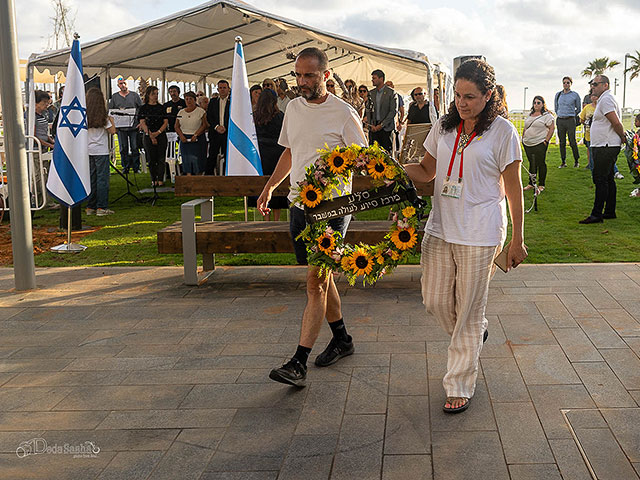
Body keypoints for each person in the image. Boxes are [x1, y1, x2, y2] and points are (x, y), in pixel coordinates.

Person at [404, 59, 527, 413]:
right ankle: (475, 332)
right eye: (457, 95)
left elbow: (514, 189)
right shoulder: (444, 126)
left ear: (488, 95)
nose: (462, 103)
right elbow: (427, 171)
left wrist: (517, 239)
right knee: (435, 300)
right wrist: (392, 169)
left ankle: (459, 382)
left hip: (482, 231)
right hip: (441, 227)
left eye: (470, 97)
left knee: (469, 311)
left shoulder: (503, 132)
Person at [257, 47, 367, 387]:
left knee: (315, 282)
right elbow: (290, 151)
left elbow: (363, 160)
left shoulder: (344, 114)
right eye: (298, 75)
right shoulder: (291, 107)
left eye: (309, 76)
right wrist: (270, 186)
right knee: (323, 279)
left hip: (332, 210)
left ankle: (298, 362)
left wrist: (338, 170)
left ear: (327, 76)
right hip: (297, 206)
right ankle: (343, 339)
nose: (302, 82)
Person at [579, 75, 626, 224]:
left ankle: (596, 214)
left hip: (605, 145)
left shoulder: (606, 99)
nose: (592, 86)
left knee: (600, 179)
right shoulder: (605, 99)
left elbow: (616, 122)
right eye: (592, 84)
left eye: (595, 84)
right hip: (605, 144)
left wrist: (623, 137)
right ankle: (609, 211)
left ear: (605, 85)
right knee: (608, 178)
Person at [253, 90, 288, 220]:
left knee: (263, 186)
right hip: (276, 155)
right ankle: (276, 219)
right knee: (275, 185)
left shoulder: (254, 116)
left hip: (260, 156)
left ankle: (265, 217)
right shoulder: (280, 116)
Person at [85, 88, 116, 216]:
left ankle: (90, 206)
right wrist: (112, 121)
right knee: (102, 179)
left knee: (91, 179)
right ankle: (101, 207)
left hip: (88, 150)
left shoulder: (84, 116)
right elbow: (113, 131)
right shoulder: (103, 117)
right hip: (101, 150)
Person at [109, 77, 143, 174]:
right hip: (121, 128)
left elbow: (141, 109)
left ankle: (136, 167)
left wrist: (140, 122)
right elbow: (111, 112)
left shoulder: (134, 95)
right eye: (120, 84)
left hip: (133, 126)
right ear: (118, 85)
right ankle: (125, 167)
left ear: (127, 84)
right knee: (123, 148)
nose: (123, 85)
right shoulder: (115, 97)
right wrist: (113, 127)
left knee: (134, 147)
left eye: (124, 83)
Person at [522, 96, 554, 191]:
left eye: (538, 103)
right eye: (534, 102)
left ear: (543, 104)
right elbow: (525, 127)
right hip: (528, 143)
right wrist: (523, 138)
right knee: (532, 163)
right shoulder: (530, 115)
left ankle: (541, 184)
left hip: (540, 143)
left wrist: (546, 141)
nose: (536, 104)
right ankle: (531, 183)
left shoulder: (546, 116)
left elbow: (551, 128)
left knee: (540, 163)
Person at [138, 86, 169, 186]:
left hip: (160, 134)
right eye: (153, 94)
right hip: (148, 134)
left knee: (161, 158)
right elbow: (142, 122)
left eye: (156, 93)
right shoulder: (143, 108)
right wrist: (150, 135)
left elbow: (165, 122)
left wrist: (158, 132)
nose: (155, 96)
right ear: (148, 95)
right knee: (151, 158)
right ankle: (153, 179)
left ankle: (160, 179)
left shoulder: (161, 108)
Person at [175, 91, 207, 175]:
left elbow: (204, 125)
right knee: (186, 160)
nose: (188, 101)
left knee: (198, 161)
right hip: (184, 139)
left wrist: (196, 134)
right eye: (186, 99)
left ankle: (198, 177)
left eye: (190, 99)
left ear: (194, 100)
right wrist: (181, 136)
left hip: (198, 138)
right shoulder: (181, 112)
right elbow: (176, 126)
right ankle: (188, 176)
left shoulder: (201, 111)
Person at [554, 76, 582, 168]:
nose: (566, 84)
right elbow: (556, 107)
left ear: (571, 84)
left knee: (572, 141)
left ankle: (576, 161)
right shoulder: (558, 95)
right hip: (560, 120)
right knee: (562, 142)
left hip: (570, 120)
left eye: (568, 82)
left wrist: (572, 114)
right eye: (564, 82)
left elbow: (578, 108)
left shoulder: (575, 95)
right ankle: (563, 161)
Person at [367, 69, 398, 152]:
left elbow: (393, 111)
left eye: (374, 78)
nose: (372, 80)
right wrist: (371, 125)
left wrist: (381, 125)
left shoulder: (391, 93)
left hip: (386, 129)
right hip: (373, 128)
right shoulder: (371, 93)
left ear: (381, 79)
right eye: (372, 78)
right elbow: (368, 110)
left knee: (386, 155)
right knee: (372, 154)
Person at [206, 80, 231, 175]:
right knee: (212, 155)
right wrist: (216, 127)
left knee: (227, 155)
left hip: (228, 133)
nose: (222, 90)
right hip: (215, 133)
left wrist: (226, 128)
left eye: (224, 88)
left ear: (228, 89)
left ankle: (226, 174)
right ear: (217, 89)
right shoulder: (212, 102)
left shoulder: (233, 102)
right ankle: (209, 176)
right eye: (220, 88)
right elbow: (209, 116)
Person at [579, 94, 597, 171]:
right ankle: (591, 167)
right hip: (589, 134)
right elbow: (581, 119)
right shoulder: (587, 107)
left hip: (600, 135)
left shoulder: (602, 106)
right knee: (590, 150)